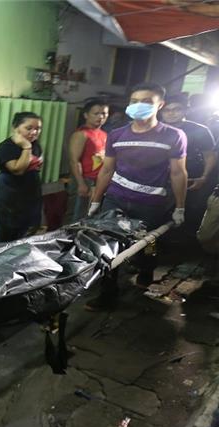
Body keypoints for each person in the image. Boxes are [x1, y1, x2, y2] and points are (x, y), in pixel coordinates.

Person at [88, 82, 187, 294]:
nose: (138, 105)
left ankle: (146, 270)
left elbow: (178, 173)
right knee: (108, 246)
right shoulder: (117, 135)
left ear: (160, 105)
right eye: (134, 101)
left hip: (151, 204)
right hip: (116, 198)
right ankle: (107, 291)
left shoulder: (173, 136)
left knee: (149, 244)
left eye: (146, 102)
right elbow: (106, 170)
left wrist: (180, 207)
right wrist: (96, 200)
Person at [160, 93, 217, 239]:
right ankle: (161, 245)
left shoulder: (200, 130)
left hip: (192, 178)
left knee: (191, 211)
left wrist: (204, 177)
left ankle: (184, 246)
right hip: (162, 180)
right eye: (167, 110)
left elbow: (209, 156)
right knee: (162, 214)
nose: (171, 113)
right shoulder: (157, 130)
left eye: (177, 109)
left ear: (186, 110)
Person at [0, 112, 44, 243]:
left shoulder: (36, 145)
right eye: (29, 128)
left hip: (30, 192)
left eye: (37, 129)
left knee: (26, 230)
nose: (34, 132)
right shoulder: (6, 147)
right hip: (10, 192)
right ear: (15, 128)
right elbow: (17, 170)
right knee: (6, 232)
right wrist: (26, 147)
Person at [69, 98, 109, 221]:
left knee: (90, 215)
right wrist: (81, 183)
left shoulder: (104, 134)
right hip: (85, 180)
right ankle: (72, 239)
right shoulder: (81, 134)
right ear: (86, 115)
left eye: (104, 113)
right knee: (78, 216)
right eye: (96, 113)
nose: (101, 117)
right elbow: (74, 160)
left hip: (99, 180)